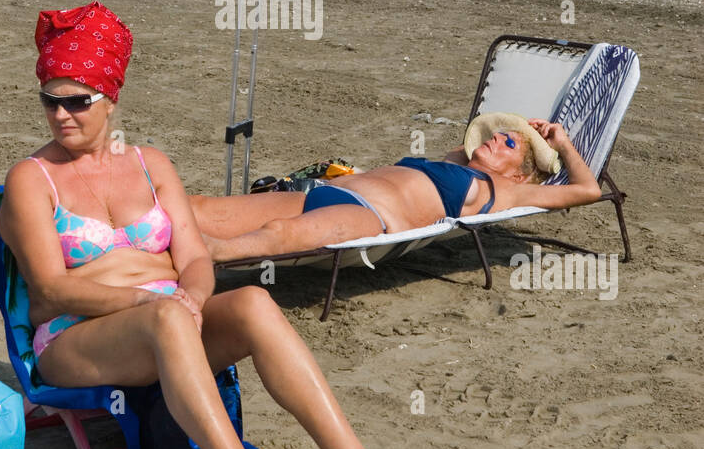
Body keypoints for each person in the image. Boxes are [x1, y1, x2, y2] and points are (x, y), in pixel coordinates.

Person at [0, 1, 426, 449]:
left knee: (252, 303)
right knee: (167, 318)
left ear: (111, 99)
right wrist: (152, 303)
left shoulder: (151, 164)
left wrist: (194, 297)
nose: (61, 115)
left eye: (77, 101)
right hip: (75, 335)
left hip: (169, 318)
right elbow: (50, 290)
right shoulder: (32, 179)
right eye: (50, 101)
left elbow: (196, 258)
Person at [192, 118, 601, 262]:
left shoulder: (509, 192)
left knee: (281, 234)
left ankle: (208, 255)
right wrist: (519, 129)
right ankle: (134, 230)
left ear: (521, 173)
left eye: (509, 144)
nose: (496, 139)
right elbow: (475, 133)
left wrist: (559, 144)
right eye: (498, 135)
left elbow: (588, 190)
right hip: (324, 192)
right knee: (204, 208)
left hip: (371, 218)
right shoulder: (455, 160)